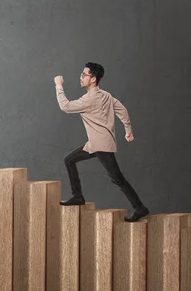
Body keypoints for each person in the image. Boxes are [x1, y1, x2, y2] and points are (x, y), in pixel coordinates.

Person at [54, 62, 149, 222]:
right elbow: (123, 110)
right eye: (82, 74)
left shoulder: (89, 99)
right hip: (95, 143)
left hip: (101, 145)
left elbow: (65, 106)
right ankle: (77, 196)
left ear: (93, 79)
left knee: (117, 178)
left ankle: (140, 207)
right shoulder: (106, 95)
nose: (81, 77)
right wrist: (128, 131)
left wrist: (58, 86)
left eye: (84, 75)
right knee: (69, 160)